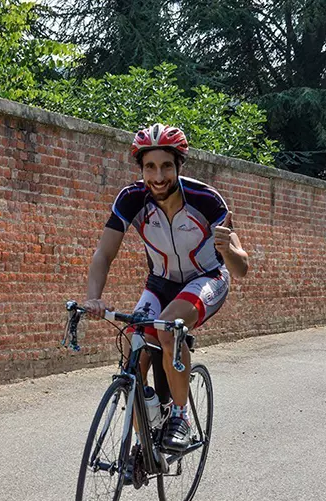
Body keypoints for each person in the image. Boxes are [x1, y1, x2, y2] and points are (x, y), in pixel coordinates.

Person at [84, 123, 249, 451]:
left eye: (166, 166)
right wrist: (93, 298)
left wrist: (228, 249)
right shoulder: (131, 199)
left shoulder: (206, 200)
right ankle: (145, 442)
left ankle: (180, 416)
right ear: (141, 168)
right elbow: (104, 253)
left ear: (179, 166)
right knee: (133, 348)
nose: (158, 176)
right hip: (159, 284)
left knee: (169, 328)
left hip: (206, 279)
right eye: (150, 167)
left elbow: (241, 267)